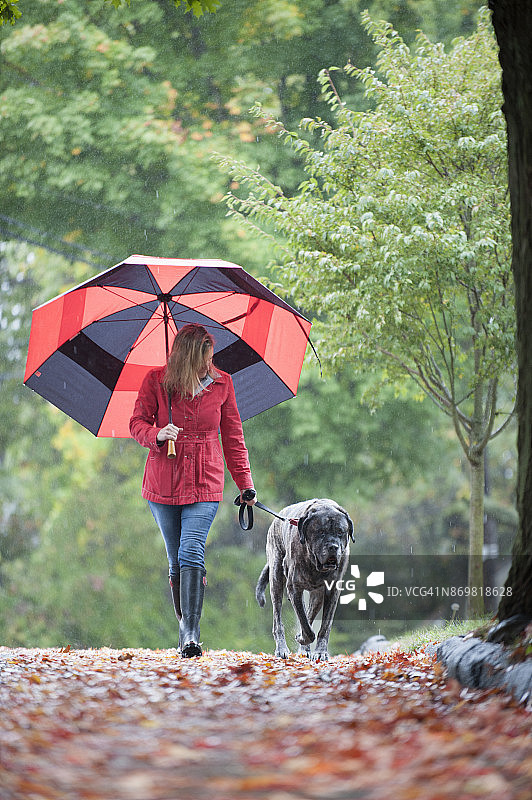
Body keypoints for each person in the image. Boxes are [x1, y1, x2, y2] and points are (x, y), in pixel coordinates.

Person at [129, 323, 256, 658]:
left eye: (211, 358)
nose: (208, 366)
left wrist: (245, 484)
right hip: (163, 483)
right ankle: (184, 625)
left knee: (191, 550)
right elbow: (136, 423)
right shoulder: (157, 381)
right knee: (175, 561)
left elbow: (233, 436)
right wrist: (157, 434)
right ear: (186, 358)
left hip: (205, 481)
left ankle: (191, 633)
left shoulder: (222, 383)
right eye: (203, 360)